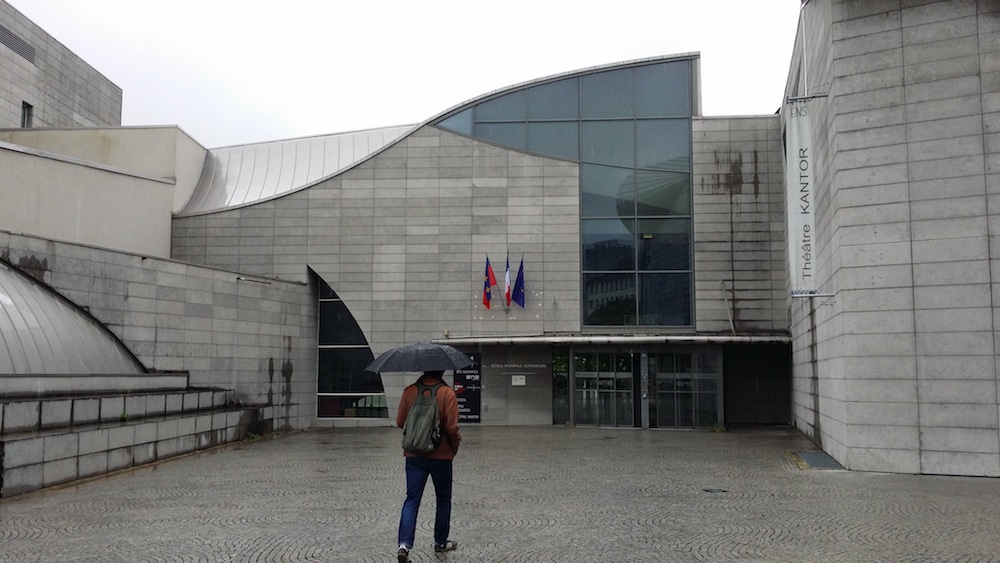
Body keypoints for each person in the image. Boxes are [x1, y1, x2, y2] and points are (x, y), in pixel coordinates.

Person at [396, 370, 461, 562]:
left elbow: (400, 422)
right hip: (441, 456)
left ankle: (404, 546)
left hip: (414, 454)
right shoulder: (447, 393)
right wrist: (455, 444)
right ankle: (440, 542)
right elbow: (452, 427)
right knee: (443, 499)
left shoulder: (409, 391)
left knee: (412, 499)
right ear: (441, 371)